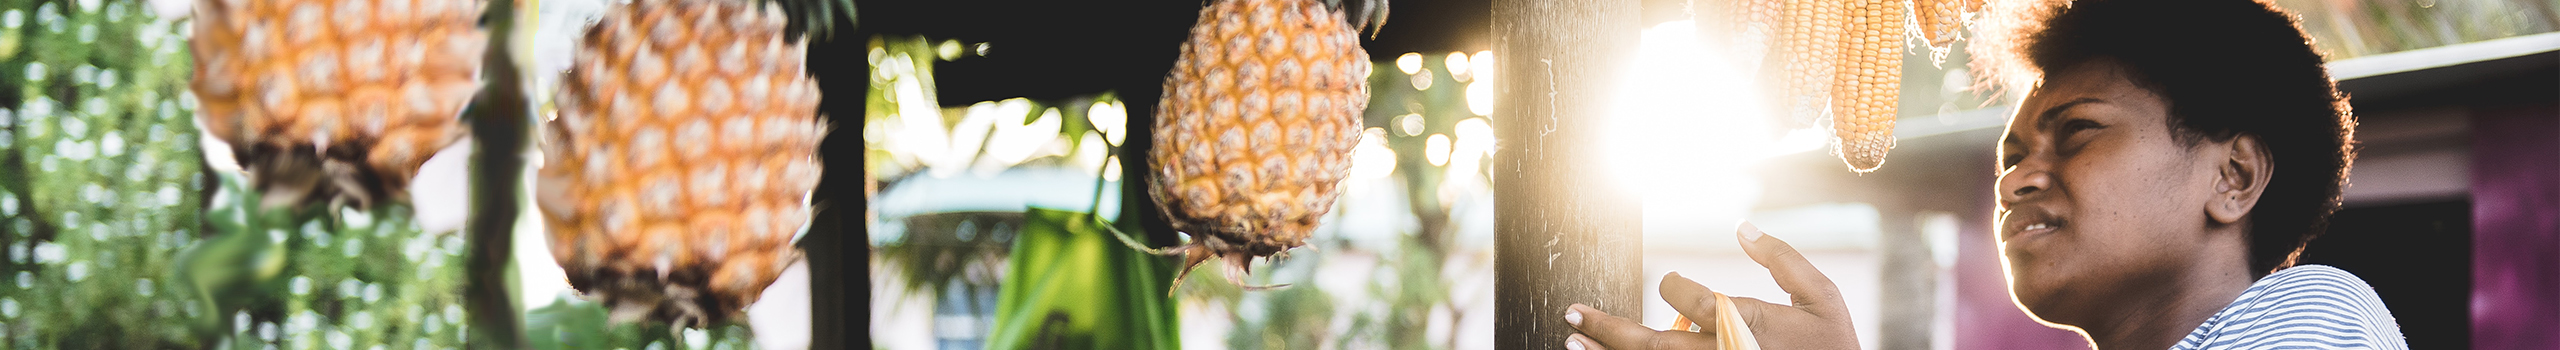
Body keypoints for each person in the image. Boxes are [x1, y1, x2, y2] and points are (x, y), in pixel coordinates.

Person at [1558, 0, 2408, 348]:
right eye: (2010, 156)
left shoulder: (2318, 317)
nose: (2014, 180)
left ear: (2235, 176)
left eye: (2076, 135)